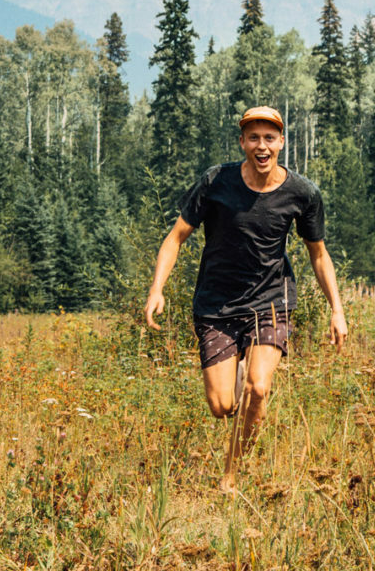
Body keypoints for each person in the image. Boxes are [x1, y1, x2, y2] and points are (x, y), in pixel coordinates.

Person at [144, 105, 348, 492]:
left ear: (281, 143)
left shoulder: (302, 193)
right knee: (222, 406)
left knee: (259, 388)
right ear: (242, 142)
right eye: (253, 137)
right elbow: (175, 238)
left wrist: (337, 310)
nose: (261, 145)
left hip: (272, 301)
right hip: (216, 305)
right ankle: (238, 373)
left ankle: (230, 476)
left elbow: (318, 254)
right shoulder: (216, 182)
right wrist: (157, 289)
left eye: (269, 138)